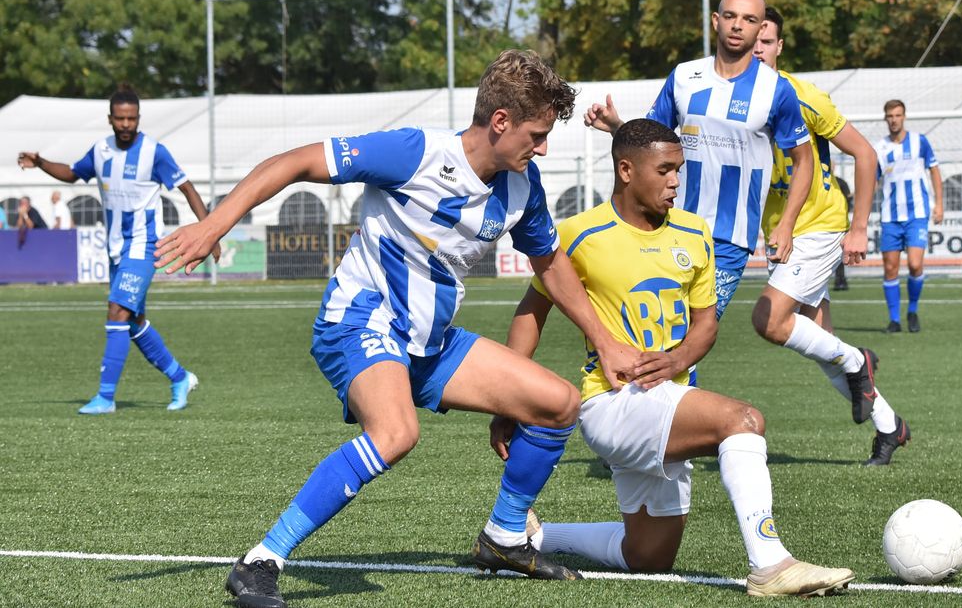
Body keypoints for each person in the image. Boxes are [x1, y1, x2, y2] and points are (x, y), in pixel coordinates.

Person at [154, 50, 639, 608]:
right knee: (396, 433)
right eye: (537, 134)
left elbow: (550, 264)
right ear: (500, 122)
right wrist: (215, 223)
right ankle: (261, 561)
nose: (544, 147)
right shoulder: (416, 152)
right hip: (359, 320)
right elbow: (291, 162)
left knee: (558, 403)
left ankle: (504, 538)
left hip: (430, 342)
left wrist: (605, 343)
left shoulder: (522, 188)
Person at [498, 118, 854, 597]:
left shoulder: (694, 233)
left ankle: (537, 535)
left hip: (668, 399)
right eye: (664, 170)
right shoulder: (579, 234)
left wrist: (676, 358)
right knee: (743, 421)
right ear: (626, 170)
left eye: (679, 171)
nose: (675, 182)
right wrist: (506, 400)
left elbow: (706, 324)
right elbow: (531, 313)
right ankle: (771, 565)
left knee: (647, 556)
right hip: (612, 403)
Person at [584, 0, 813, 326]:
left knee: (690, 333)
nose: (738, 26)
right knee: (660, 329)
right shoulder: (683, 77)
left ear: (760, 28)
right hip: (669, 224)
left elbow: (804, 159)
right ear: (716, 21)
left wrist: (787, 223)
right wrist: (618, 126)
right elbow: (651, 141)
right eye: (731, 16)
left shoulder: (776, 89)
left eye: (749, 20)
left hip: (728, 238)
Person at [753, 7, 910, 466]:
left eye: (767, 41)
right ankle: (889, 427)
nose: (758, 48)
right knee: (823, 347)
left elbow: (864, 154)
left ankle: (860, 360)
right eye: (753, 40)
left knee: (768, 320)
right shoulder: (734, 102)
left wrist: (859, 227)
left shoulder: (805, 96)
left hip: (819, 227)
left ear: (779, 47)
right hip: (781, 233)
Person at [17, 85, 216, 414]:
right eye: (120, 118)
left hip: (145, 245)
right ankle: (180, 378)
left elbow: (187, 188)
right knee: (133, 321)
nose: (126, 124)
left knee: (116, 312)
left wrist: (211, 230)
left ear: (138, 118)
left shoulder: (155, 152)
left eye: (132, 118)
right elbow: (71, 174)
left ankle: (106, 398)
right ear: (110, 119)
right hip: (116, 249)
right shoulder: (101, 150)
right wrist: (40, 162)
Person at [874, 100, 943, 333]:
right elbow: (872, 179)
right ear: (885, 118)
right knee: (890, 268)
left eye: (898, 115)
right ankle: (894, 320)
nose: (894, 119)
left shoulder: (919, 142)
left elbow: (934, 169)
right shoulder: (880, 148)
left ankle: (912, 310)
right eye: (890, 116)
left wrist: (939, 204)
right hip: (890, 216)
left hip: (917, 214)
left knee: (915, 265)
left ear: (904, 117)